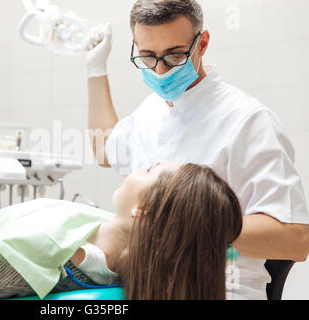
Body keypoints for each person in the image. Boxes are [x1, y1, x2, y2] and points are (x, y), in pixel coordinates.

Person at [84, 0, 309, 299]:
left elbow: (295, 240)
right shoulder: (149, 112)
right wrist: (95, 69)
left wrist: (185, 225)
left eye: (175, 56)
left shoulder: (248, 120)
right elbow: (104, 149)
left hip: (222, 288)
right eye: (148, 56)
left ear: (202, 44)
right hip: (146, 287)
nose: (161, 70)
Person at [0, 162, 242, 300]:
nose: (139, 168)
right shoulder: (111, 244)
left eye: (151, 171)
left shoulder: (41, 255)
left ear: (144, 211)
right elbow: (41, 230)